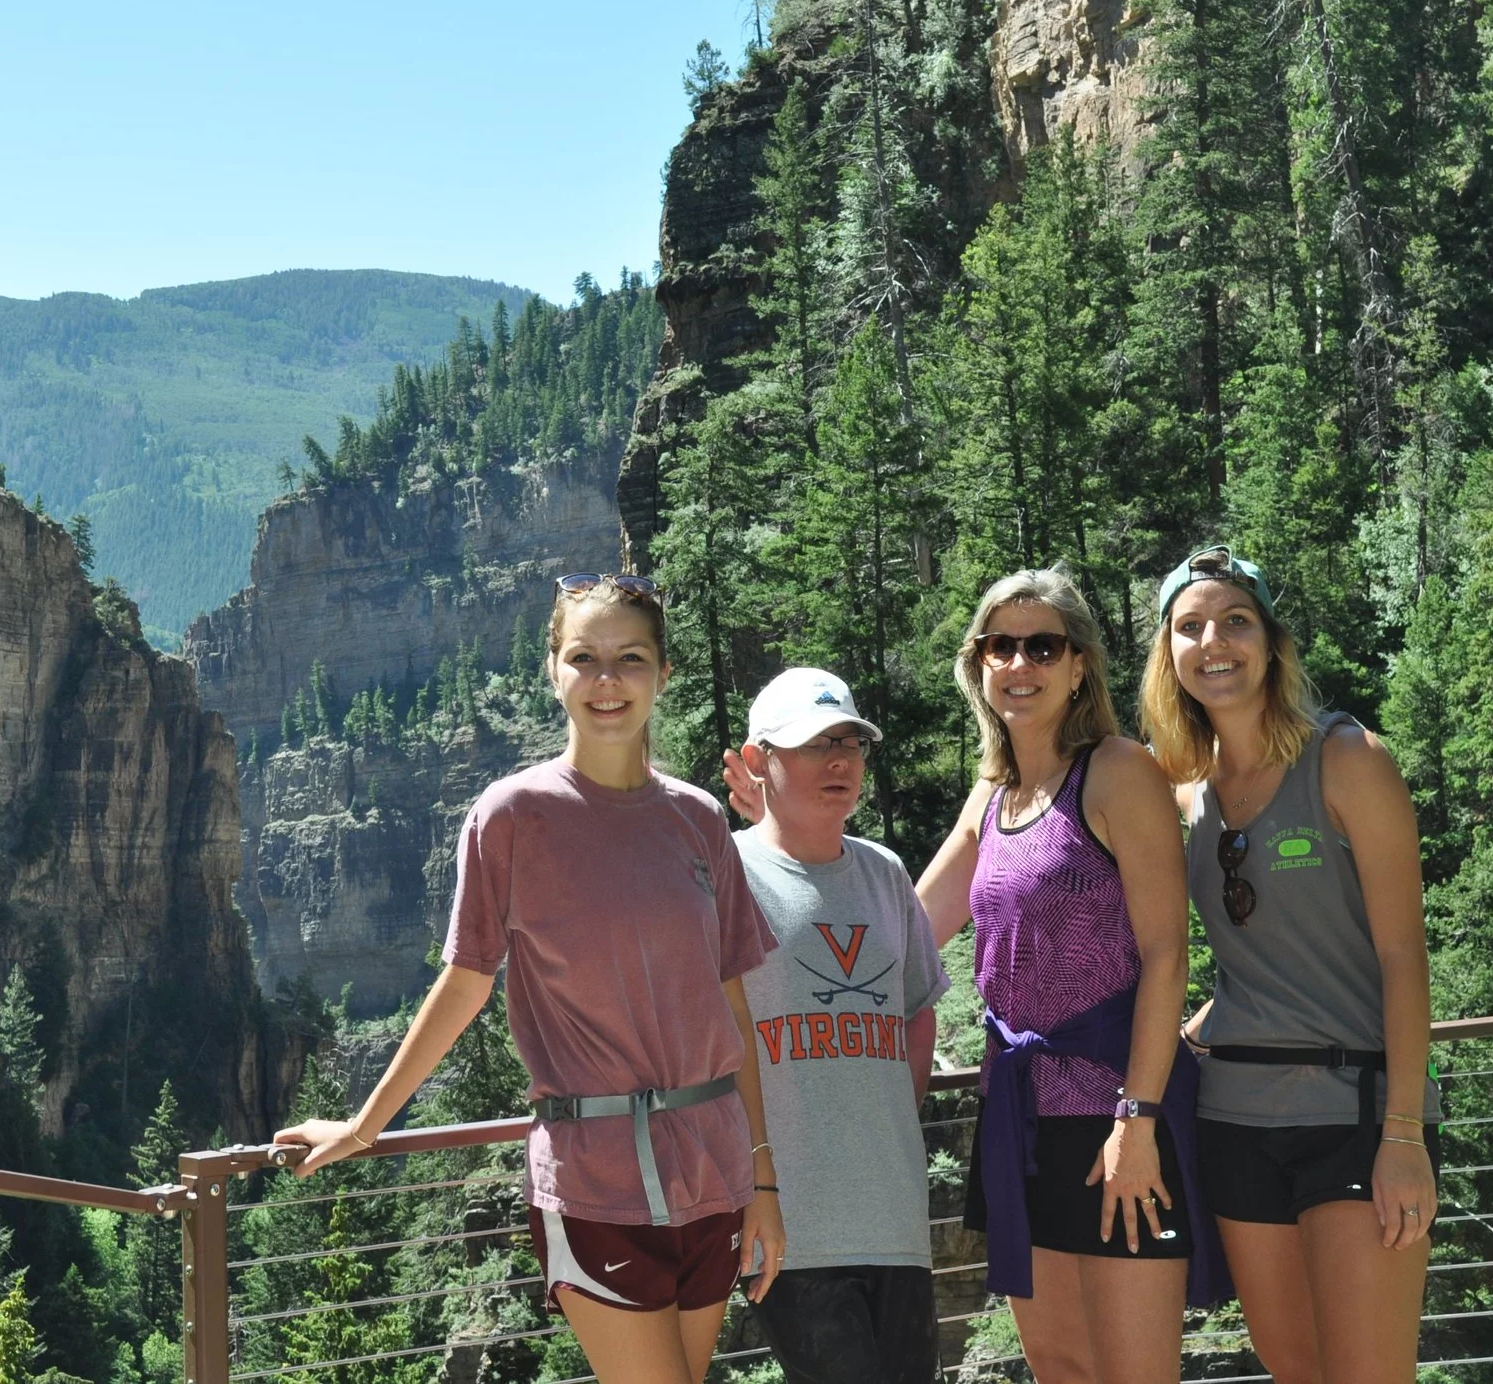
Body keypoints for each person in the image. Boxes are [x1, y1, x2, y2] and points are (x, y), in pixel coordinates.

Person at [274, 573, 785, 1384]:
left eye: (630, 658)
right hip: (595, 1180)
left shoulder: (697, 822)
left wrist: (763, 1181)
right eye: (584, 657)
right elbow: (465, 984)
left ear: (664, 673)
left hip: (713, 1173)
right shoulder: (511, 817)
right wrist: (365, 1128)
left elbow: (733, 1009)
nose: (607, 680)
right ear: (553, 670)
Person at [912, 568, 1228, 1384]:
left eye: (1042, 645)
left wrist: (1138, 1120)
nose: (1019, 662)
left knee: (1133, 1374)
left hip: (1115, 1116)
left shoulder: (1117, 772)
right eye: (999, 645)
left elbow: (1167, 957)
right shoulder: (994, 794)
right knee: (1059, 1367)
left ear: (1079, 664)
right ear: (977, 663)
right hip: (1021, 1120)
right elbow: (909, 930)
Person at [1146, 546, 1438, 1384]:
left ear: (1271, 641)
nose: (1215, 642)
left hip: (1357, 1114)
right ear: (1169, 654)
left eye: (1235, 621)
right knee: (1294, 1370)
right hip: (1235, 1119)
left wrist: (1406, 1135)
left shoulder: (1348, 760)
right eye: (1190, 627)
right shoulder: (1183, 790)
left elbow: (1403, 958)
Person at [719, 667, 948, 1384]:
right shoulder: (727, 873)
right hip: (793, 1226)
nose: (841, 760)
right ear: (760, 761)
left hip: (895, 1215)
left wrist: (887, 1115)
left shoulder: (884, 873)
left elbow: (917, 1011)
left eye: (851, 741)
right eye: (816, 744)